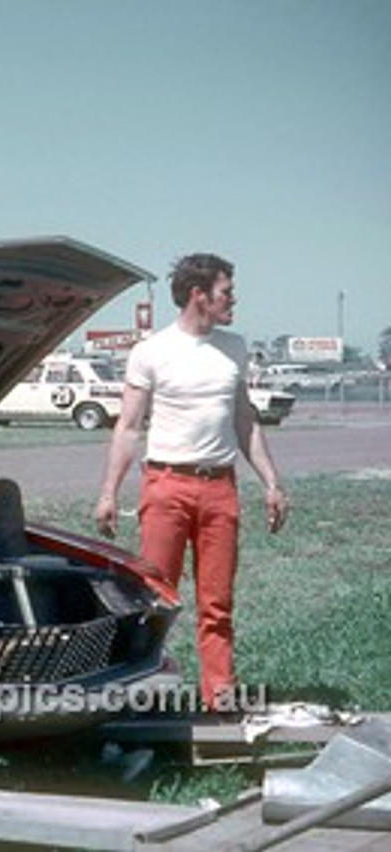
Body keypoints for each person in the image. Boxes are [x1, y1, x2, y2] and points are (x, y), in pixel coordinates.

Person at [94, 253, 288, 712]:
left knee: (216, 605)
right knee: (153, 601)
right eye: (226, 292)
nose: (233, 300)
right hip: (166, 489)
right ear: (199, 296)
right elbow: (128, 426)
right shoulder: (152, 352)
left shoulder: (235, 348)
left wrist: (272, 483)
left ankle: (219, 702)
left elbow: (245, 420)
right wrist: (108, 493)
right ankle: (137, 699)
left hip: (220, 491)